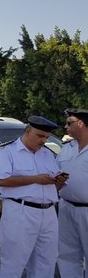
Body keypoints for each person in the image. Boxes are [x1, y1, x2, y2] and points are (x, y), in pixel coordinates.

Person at [0, 115, 68, 278]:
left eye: (46, 137)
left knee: (46, 262)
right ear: (27, 132)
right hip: (21, 211)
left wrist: (58, 182)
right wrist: (36, 179)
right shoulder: (8, 152)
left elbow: (54, 186)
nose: (43, 140)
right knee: (14, 262)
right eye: (40, 136)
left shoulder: (47, 154)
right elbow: (1, 181)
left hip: (48, 213)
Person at [57, 108, 88, 277]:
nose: (66, 126)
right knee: (67, 255)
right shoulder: (67, 147)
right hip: (66, 207)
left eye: (70, 123)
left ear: (81, 123)